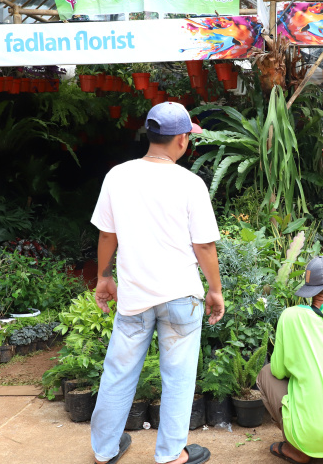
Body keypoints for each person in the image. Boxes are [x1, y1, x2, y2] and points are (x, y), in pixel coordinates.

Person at [90, 102, 226, 464]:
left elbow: (107, 235)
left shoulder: (117, 176)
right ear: (182, 140)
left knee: (117, 373)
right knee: (179, 378)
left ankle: (104, 451)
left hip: (134, 298)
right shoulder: (190, 183)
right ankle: (170, 454)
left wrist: (105, 277)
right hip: (181, 296)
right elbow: (204, 245)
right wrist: (215, 289)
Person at [257, 255, 323, 464]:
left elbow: (279, 372)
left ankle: (299, 449)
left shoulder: (290, 316)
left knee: (266, 373)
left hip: (304, 435)